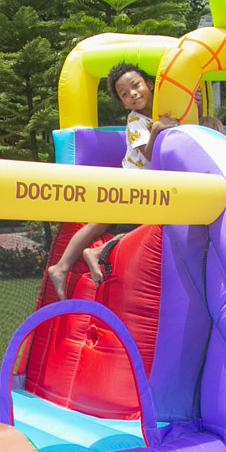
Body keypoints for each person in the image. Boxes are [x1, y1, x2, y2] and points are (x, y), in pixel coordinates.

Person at [47, 62, 180, 299]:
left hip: (141, 186)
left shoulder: (164, 111)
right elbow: (149, 155)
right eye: (124, 94)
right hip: (133, 185)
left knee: (110, 225)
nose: (133, 94)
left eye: (136, 85)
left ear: (150, 84)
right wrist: (157, 129)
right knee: (111, 225)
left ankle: (79, 259)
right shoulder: (136, 121)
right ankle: (66, 264)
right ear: (124, 104)